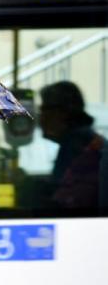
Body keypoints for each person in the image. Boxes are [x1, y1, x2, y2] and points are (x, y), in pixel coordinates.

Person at [38, 81, 107, 211]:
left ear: (64, 112)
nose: (40, 117)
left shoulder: (77, 145)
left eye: (44, 110)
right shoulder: (84, 139)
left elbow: (61, 199)